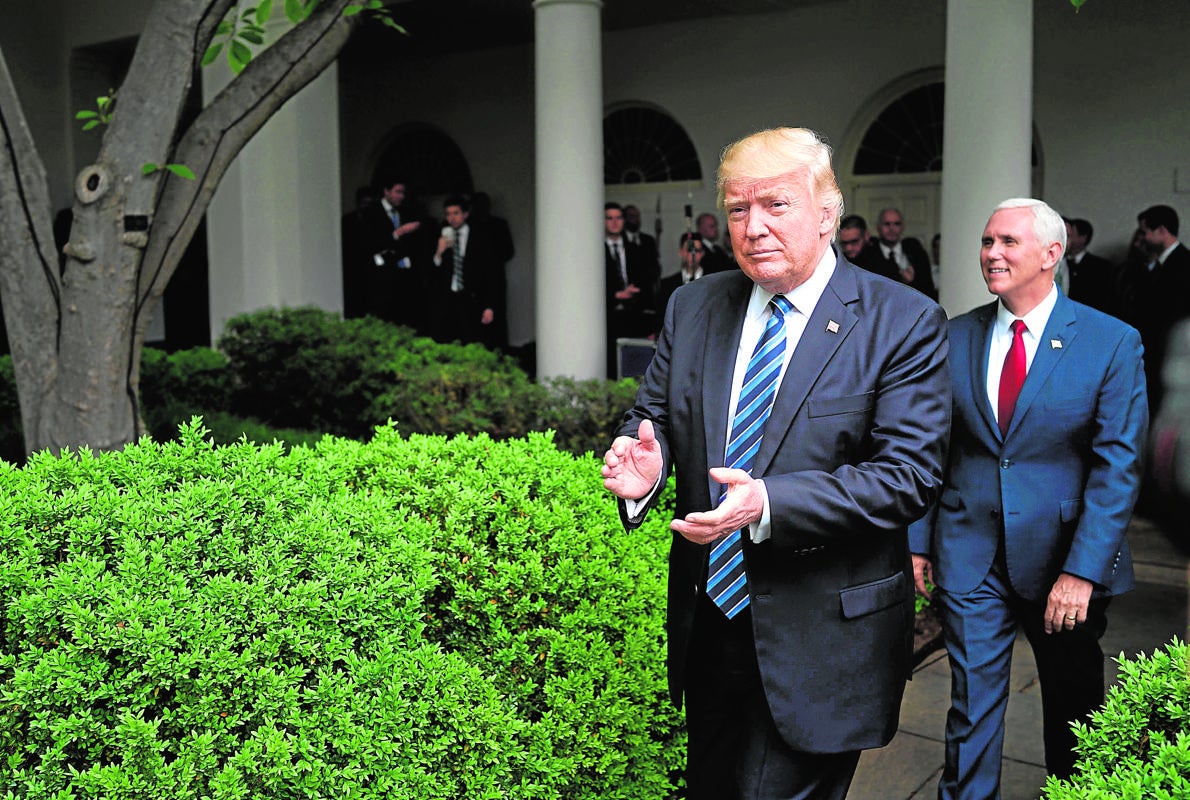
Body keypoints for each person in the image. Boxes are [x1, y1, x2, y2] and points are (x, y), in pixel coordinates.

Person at [601, 127, 950, 800]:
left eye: (775, 206)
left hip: (823, 636)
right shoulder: (693, 304)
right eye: (738, 209)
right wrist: (648, 465)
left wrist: (768, 503)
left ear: (827, 213)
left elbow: (907, 476)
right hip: (712, 624)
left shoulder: (903, 320)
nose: (753, 227)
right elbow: (655, 420)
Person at [909, 198, 1148, 799]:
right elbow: (930, 448)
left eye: (1008, 242)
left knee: (1075, 716)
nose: (992, 253)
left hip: (1064, 563)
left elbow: (1117, 466)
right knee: (970, 713)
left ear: (1051, 254)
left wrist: (1082, 570)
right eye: (988, 241)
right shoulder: (953, 336)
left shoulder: (1111, 342)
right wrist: (918, 541)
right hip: (970, 555)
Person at [1131, 204, 1190, 416]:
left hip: (1167, 357)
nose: (1143, 238)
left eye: (1146, 232)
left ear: (1162, 231)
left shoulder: (1183, 264)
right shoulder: (1161, 265)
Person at [357, 176, 432, 331]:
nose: (401, 196)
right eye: (397, 192)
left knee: (405, 317)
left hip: (405, 273)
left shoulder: (406, 211)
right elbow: (369, 243)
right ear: (386, 191)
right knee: (384, 317)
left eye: (403, 193)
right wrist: (398, 233)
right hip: (382, 275)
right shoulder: (371, 212)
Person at [430, 194, 500, 346]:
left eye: (456, 213)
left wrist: (489, 305)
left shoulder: (480, 236)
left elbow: (491, 273)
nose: (452, 218)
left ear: (465, 214)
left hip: (472, 297)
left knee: (472, 340)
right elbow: (432, 270)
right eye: (448, 214)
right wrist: (439, 252)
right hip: (448, 297)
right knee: (446, 340)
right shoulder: (442, 234)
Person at [605, 201, 657, 376]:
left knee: (634, 367)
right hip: (607, 318)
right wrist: (615, 295)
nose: (614, 222)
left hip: (634, 316)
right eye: (609, 218)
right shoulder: (595, 250)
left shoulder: (637, 248)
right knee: (611, 366)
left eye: (618, 218)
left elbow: (649, 278)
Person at [469, 191, 515, 350]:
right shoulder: (468, 226)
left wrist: (491, 260)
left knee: (497, 314)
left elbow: (509, 251)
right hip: (473, 279)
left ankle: (499, 351)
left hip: (495, 277)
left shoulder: (499, 225)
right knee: (474, 316)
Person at [875, 207, 938, 299]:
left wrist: (911, 282)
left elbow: (928, 289)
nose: (891, 229)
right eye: (887, 224)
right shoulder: (870, 254)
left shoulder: (917, 253)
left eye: (897, 224)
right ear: (878, 228)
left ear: (903, 227)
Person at [1062, 217, 1119, 318]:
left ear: (1083, 237)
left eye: (1070, 235)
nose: (1065, 239)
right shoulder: (1060, 262)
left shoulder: (1101, 266)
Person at [838, 213, 896, 278]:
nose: (849, 248)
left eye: (854, 242)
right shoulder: (840, 262)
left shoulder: (884, 257)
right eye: (844, 243)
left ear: (866, 236)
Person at [624, 203, 662, 279]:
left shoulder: (648, 240)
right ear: (624, 218)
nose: (635, 219)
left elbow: (654, 264)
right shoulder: (619, 240)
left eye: (637, 216)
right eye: (631, 216)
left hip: (646, 287)